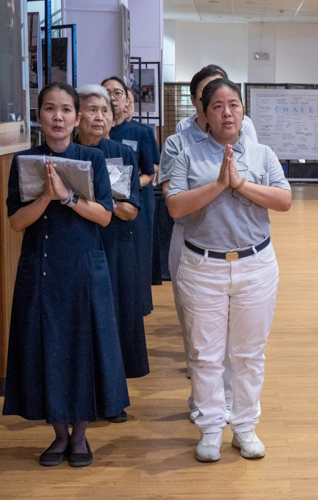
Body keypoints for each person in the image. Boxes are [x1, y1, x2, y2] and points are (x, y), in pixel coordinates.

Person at [2, 82, 129, 467]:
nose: (58, 117)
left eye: (66, 110)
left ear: (76, 118)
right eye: (49, 109)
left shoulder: (92, 159)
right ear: (39, 117)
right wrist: (46, 195)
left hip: (84, 271)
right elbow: (15, 222)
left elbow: (105, 216)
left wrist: (69, 197)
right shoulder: (24, 161)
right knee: (47, 352)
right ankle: (58, 435)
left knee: (83, 351)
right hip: (38, 272)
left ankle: (81, 438)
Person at [167, 78, 292, 462]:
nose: (227, 112)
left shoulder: (262, 153)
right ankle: (209, 429)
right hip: (203, 265)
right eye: (218, 105)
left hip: (255, 264)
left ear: (243, 110)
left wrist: (240, 184)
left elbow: (284, 199)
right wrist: (220, 183)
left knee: (249, 355)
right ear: (204, 113)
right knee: (206, 356)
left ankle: (244, 427)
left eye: (234, 104)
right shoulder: (187, 152)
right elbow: (175, 206)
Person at [159, 69, 237, 425]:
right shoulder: (178, 143)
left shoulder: (244, 134)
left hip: (235, 241)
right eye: (210, 97)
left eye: (228, 100)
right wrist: (221, 185)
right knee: (196, 325)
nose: (221, 108)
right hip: (190, 238)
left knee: (236, 331)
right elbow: (173, 199)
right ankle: (203, 399)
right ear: (196, 102)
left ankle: (231, 400)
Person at [75, 85, 149, 421]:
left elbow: (129, 210)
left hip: (115, 246)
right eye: (92, 109)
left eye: (105, 110)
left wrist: (90, 204)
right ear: (77, 115)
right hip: (76, 245)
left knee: (114, 321)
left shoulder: (119, 153)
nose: (100, 117)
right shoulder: (67, 153)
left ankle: (113, 397)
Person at [102, 76, 159, 316]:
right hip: (105, 205)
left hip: (136, 203)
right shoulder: (98, 133)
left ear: (127, 100)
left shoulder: (141, 131)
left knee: (136, 257)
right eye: (108, 93)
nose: (113, 98)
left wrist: (130, 189)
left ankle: (137, 308)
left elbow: (152, 171)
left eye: (118, 93)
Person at [175, 64, 259, 144]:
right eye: (206, 90)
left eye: (233, 105)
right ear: (193, 100)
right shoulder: (183, 128)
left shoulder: (245, 126)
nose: (227, 114)